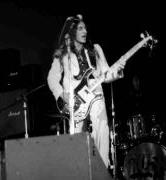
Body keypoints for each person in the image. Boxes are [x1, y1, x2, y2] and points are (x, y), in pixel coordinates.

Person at [47, 14, 125, 168]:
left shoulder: (95, 49)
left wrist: (117, 72)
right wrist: (61, 94)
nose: (85, 31)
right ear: (71, 31)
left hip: (96, 96)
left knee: (102, 132)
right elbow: (52, 78)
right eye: (80, 28)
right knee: (77, 140)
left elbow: (106, 74)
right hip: (76, 101)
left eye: (85, 28)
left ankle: (102, 169)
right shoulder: (62, 53)